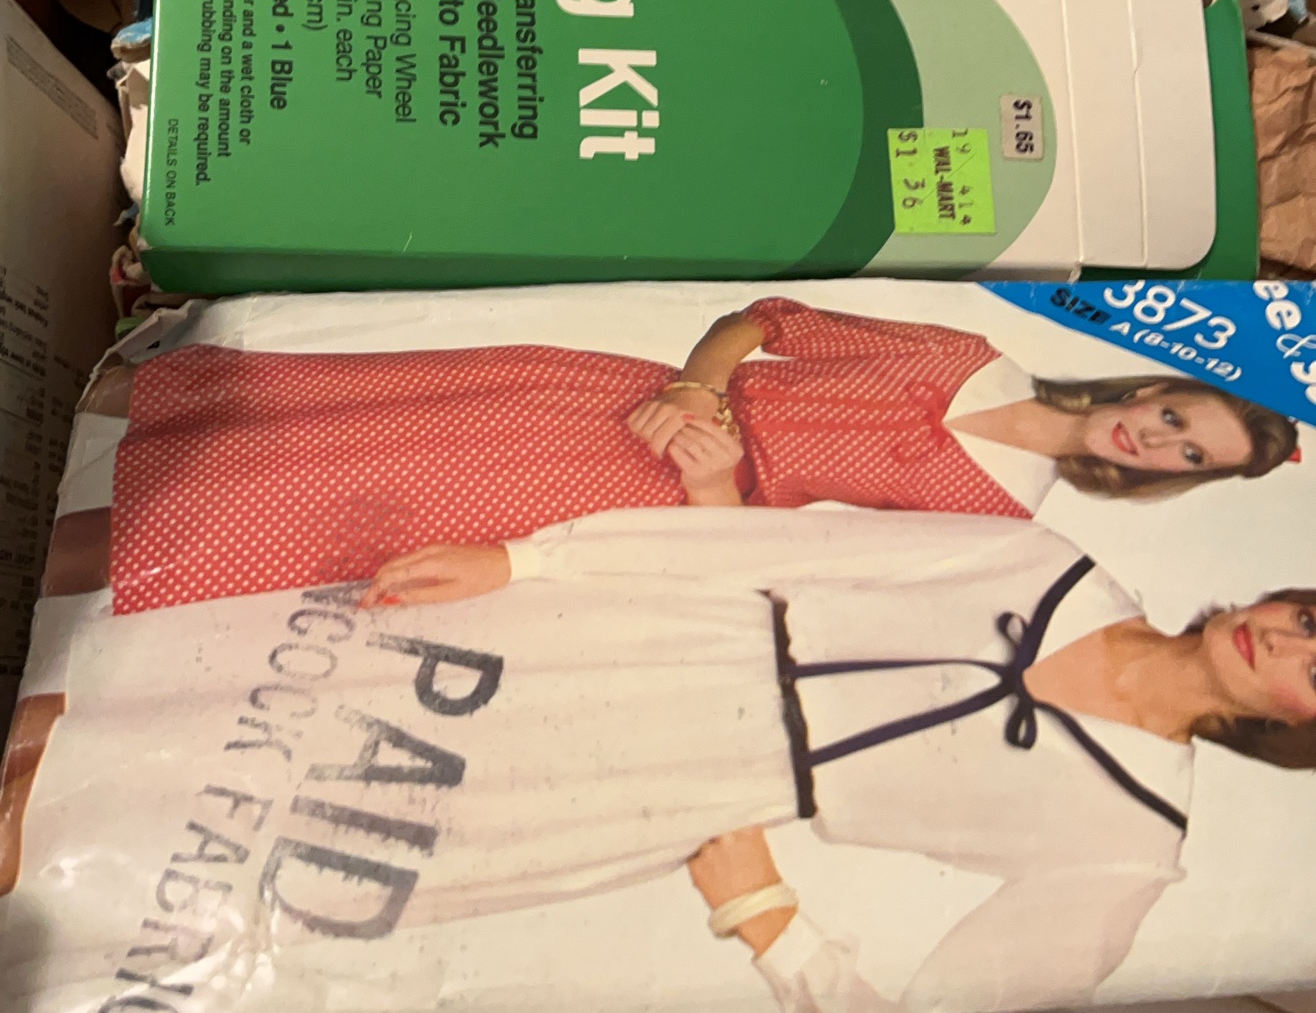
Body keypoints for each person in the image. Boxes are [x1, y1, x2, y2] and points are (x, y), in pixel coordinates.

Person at [352, 508, 1316, 1013]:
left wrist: (770, 921)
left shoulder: (1132, 838)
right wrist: (529, 563)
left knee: (357, 848)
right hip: (641, 632)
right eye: (1310, 619)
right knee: (340, 682)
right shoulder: (1047, 562)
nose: (1282, 640)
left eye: (1315, 670)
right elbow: (781, 545)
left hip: (674, 791)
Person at [53, 301, 1295, 615]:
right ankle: (54, 424)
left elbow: (791, 569)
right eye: (1178, 415)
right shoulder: (970, 352)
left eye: (1184, 455)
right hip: (600, 399)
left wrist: (708, 476)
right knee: (288, 428)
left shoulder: (1000, 521)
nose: (1158, 438)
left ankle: (46, 566)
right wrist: (694, 387)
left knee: (281, 518)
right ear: (1154, 386)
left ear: (1168, 479)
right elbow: (763, 322)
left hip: (620, 503)